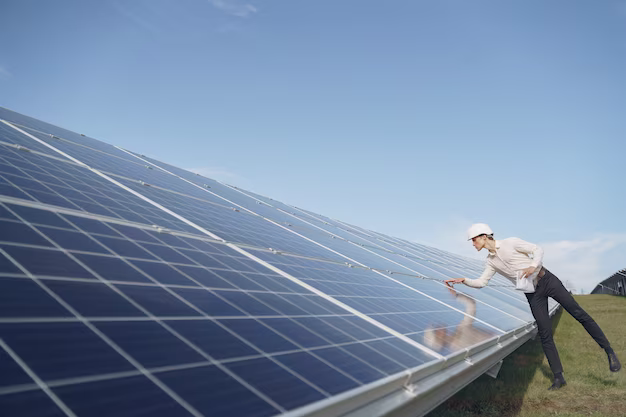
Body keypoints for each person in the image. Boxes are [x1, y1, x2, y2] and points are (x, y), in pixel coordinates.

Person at [444, 223, 621, 390]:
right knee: (544, 332)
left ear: (483, 236)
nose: (473, 244)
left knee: (578, 313)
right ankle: (559, 377)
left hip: (547, 281)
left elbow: (537, 249)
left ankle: (609, 352)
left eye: (474, 240)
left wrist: (533, 265)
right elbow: (482, 282)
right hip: (532, 293)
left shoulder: (510, 243)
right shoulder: (490, 262)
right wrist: (464, 281)